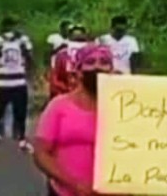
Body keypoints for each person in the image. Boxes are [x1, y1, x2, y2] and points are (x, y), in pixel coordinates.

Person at [34, 44, 114, 196]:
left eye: (104, 62)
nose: (98, 67)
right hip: (65, 192)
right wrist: (74, 184)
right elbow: (41, 153)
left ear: (112, 70)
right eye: (90, 62)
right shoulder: (59, 106)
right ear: (78, 71)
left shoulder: (124, 108)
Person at [0, 17, 34, 160]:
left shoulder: (23, 41)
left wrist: (26, 55)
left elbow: (30, 60)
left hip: (19, 82)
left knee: (20, 113)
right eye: (9, 27)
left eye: (14, 27)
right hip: (2, 84)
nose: (12, 30)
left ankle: (22, 140)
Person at [48, 23, 89, 99]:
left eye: (81, 33)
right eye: (75, 34)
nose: (78, 35)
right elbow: (56, 77)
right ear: (69, 36)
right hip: (67, 91)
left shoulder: (93, 51)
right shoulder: (62, 53)